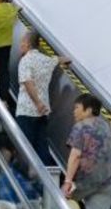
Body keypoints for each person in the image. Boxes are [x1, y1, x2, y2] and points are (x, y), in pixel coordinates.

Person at [16, 30, 70, 165]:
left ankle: (26, 179)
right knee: (41, 146)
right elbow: (63, 59)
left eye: (22, 42)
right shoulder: (46, 60)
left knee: (25, 147)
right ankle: (47, 180)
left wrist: (37, 102)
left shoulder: (25, 60)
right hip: (43, 111)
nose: (20, 45)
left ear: (28, 44)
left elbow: (28, 82)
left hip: (26, 110)